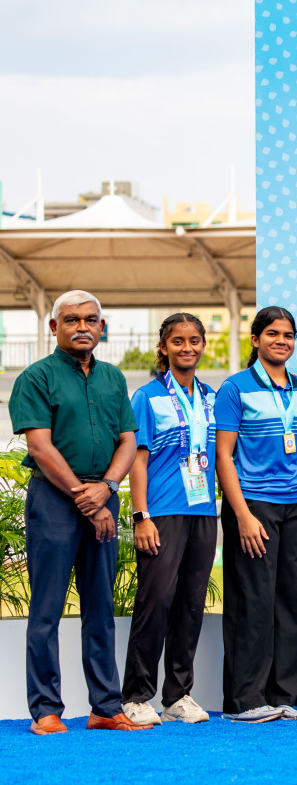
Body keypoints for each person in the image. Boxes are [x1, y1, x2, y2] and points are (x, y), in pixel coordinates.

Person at [13, 290, 145, 735]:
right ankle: (45, 710)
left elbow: (128, 441)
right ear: (54, 327)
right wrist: (83, 496)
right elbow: (39, 446)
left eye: (91, 319)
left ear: (102, 328)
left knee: (100, 607)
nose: (82, 326)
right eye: (71, 320)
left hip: (103, 495)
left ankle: (105, 707)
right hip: (54, 500)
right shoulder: (36, 377)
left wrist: (106, 488)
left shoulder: (113, 378)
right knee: (46, 608)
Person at [214, 306, 297, 723]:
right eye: (273, 333)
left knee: (291, 601)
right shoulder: (235, 388)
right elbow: (223, 455)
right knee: (252, 601)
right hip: (253, 505)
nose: (282, 340)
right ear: (255, 340)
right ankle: (245, 700)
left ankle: (282, 694)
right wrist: (240, 514)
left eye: (289, 335)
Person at [121, 313, 220, 726]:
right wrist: (140, 515)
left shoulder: (212, 397)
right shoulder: (146, 397)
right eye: (177, 341)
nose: (187, 348)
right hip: (161, 512)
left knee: (190, 604)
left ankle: (178, 694)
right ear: (163, 348)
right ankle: (136, 696)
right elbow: (137, 460)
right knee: (155, 601)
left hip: (202, 512)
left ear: (202, 345)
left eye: (194, 340)